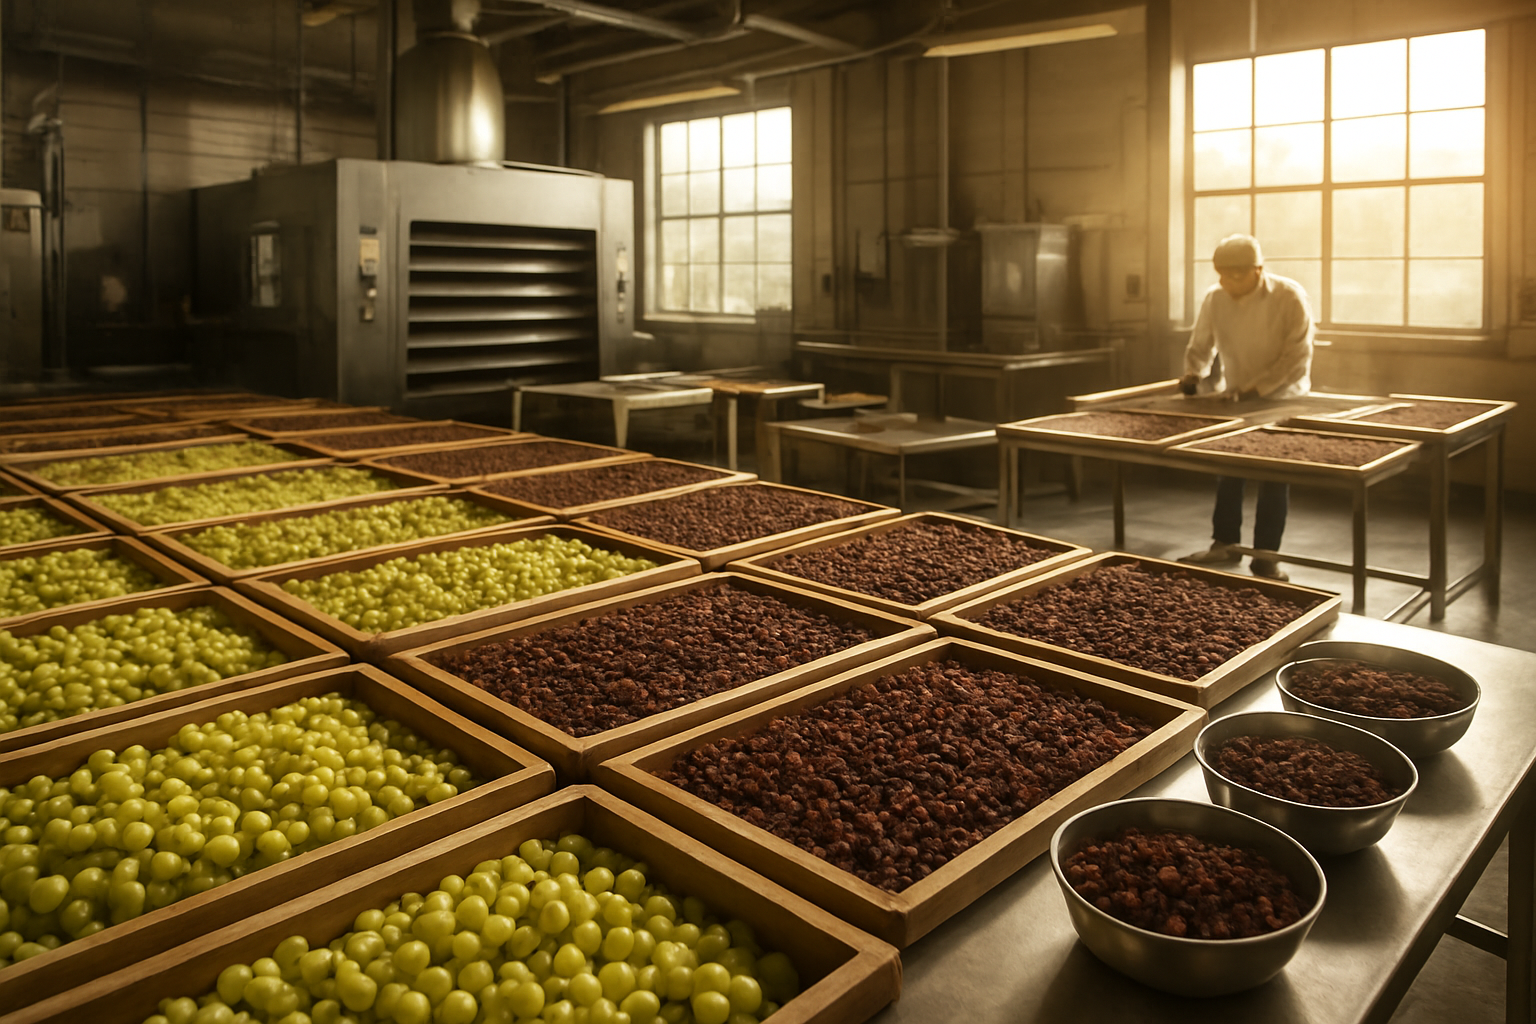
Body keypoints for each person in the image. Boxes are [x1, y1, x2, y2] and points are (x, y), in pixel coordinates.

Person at [1177, 233, 1315, 581]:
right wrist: (1194, 374)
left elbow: (1296, 358)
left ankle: (1265, 557)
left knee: (1273, 476)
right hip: (1234, 397)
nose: (1228, 283)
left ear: (1258, 270)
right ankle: (1224, 544)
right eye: (1222, 275)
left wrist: (1256, 390)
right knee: (1229, 471)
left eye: (1236, 276)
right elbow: (1201, 345)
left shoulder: (1289, 297)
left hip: (1283, 400)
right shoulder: (1215, 298)